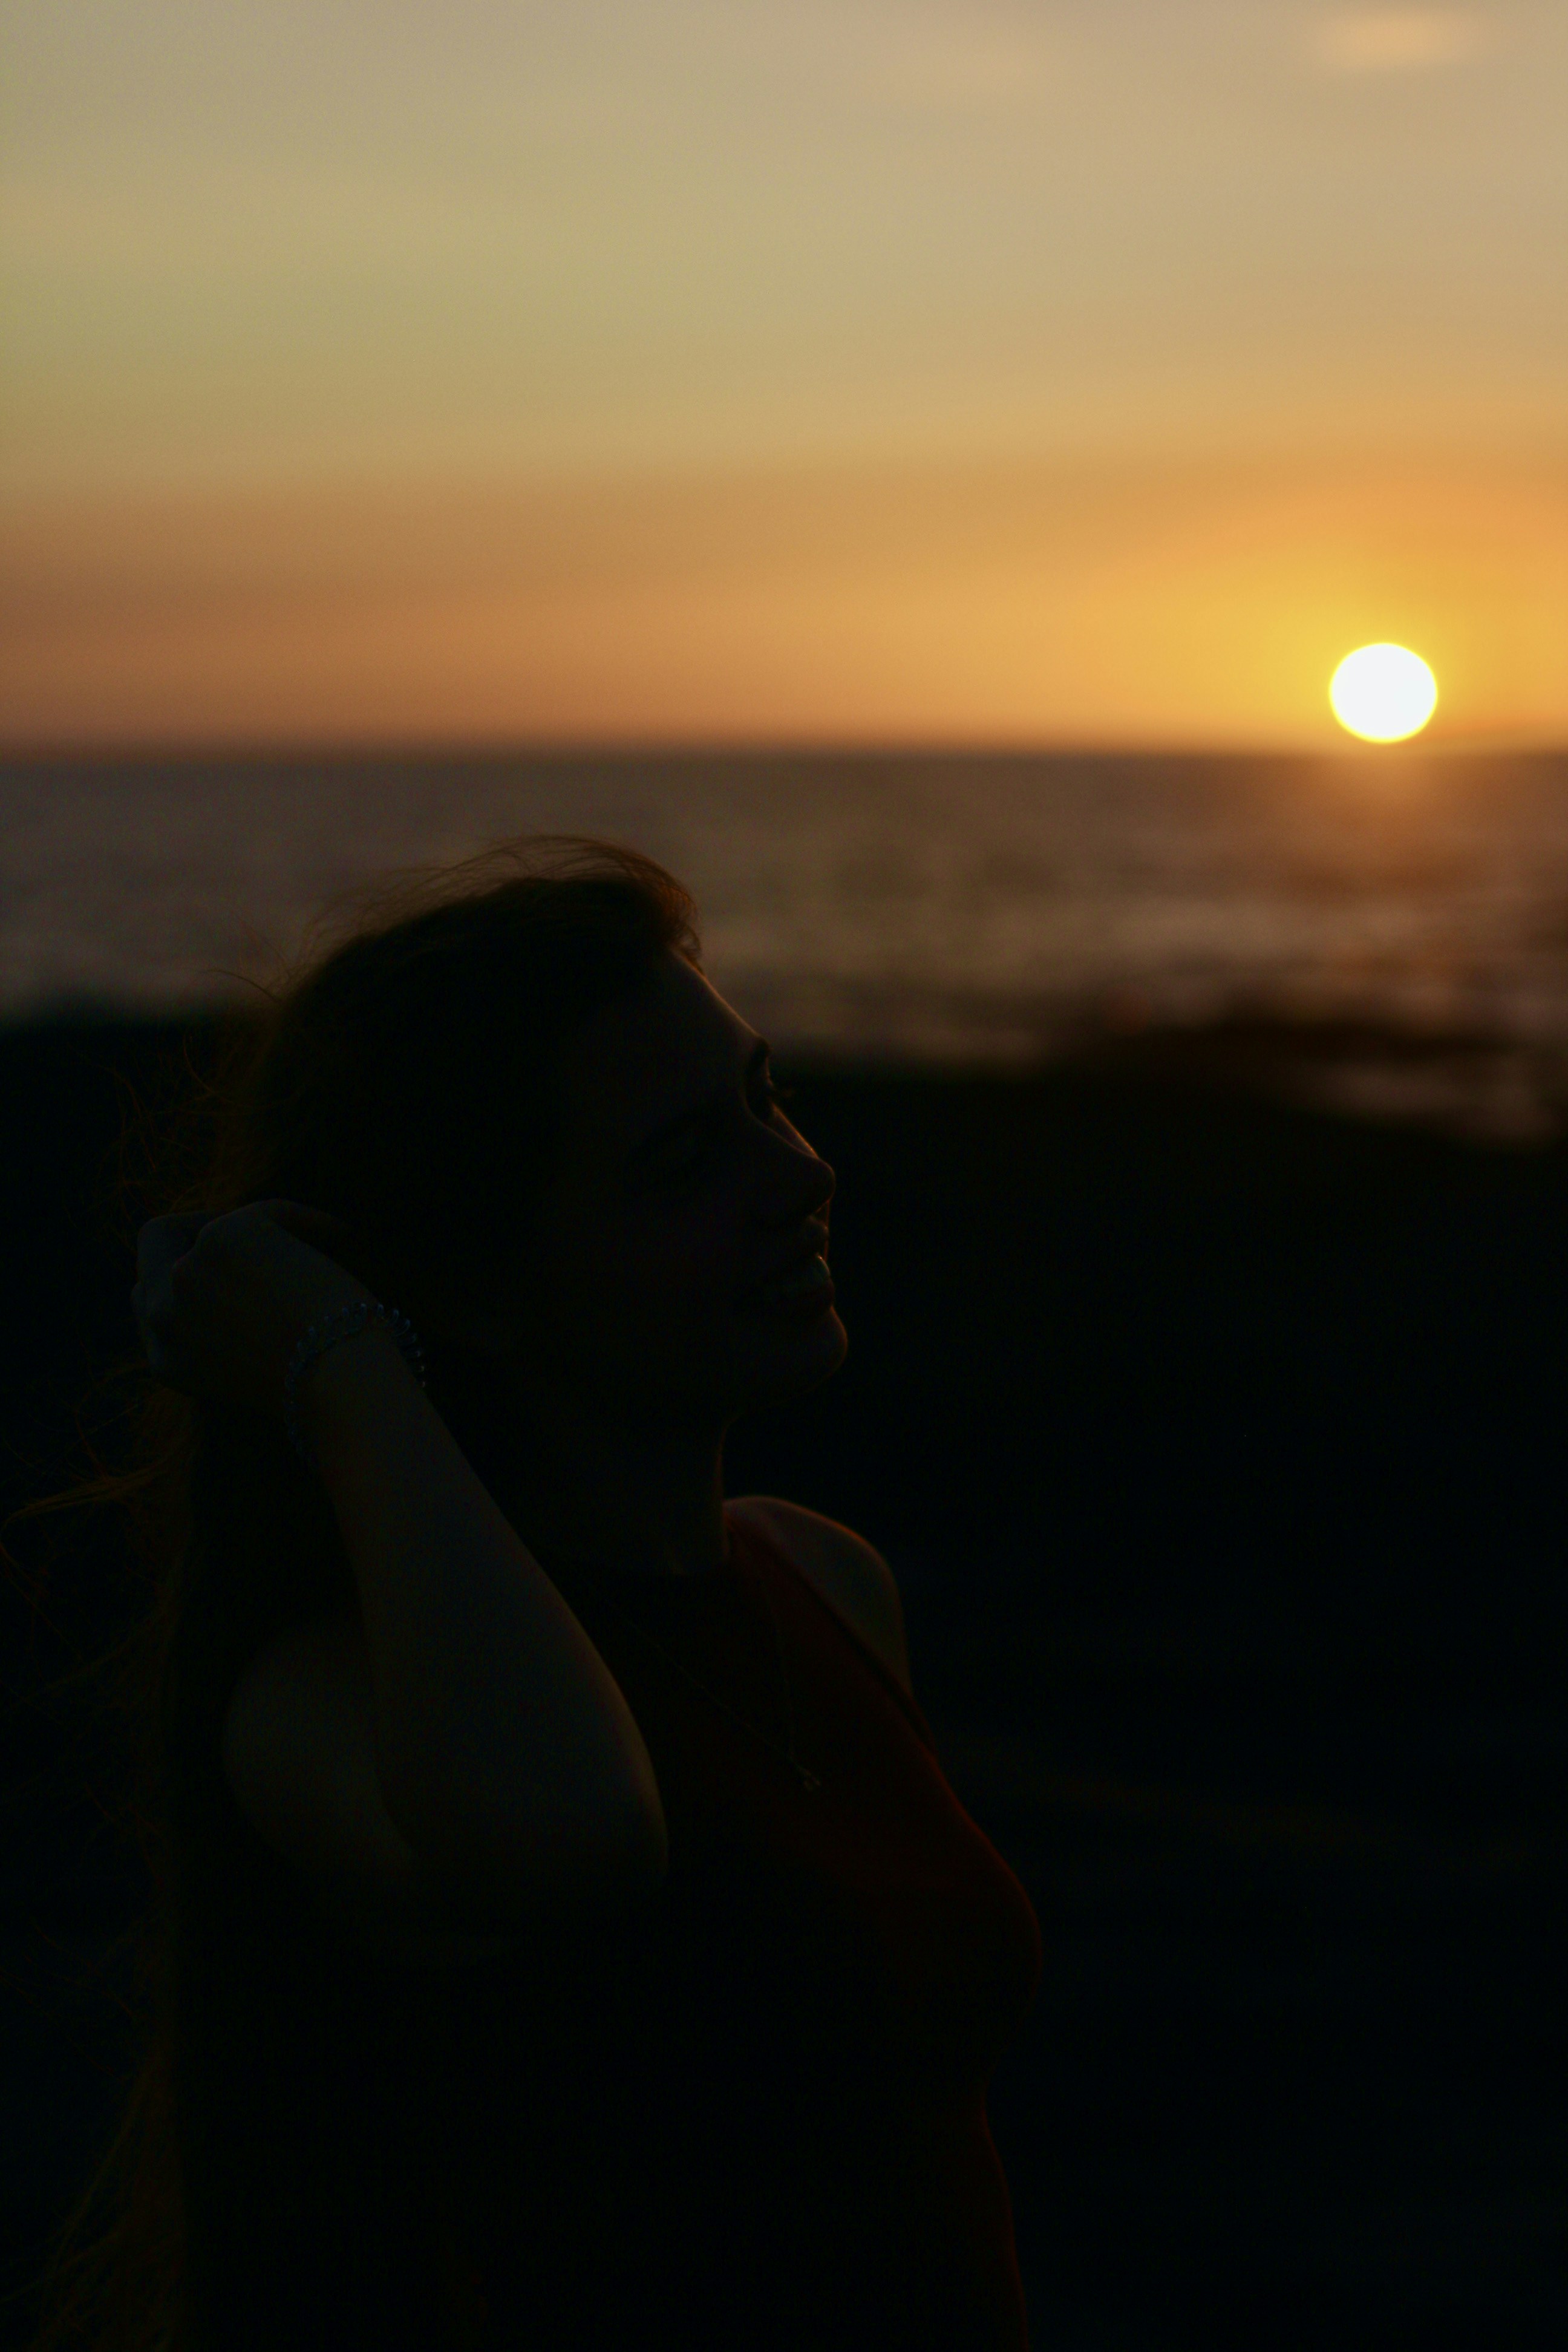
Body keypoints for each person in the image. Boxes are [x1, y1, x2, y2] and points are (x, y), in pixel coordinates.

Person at [30, 836, 1042, 2350]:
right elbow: (571, 1837)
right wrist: (351, 1367)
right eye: (684, 1162)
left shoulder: (821, 1576)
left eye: (766, 1095)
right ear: (483, 1289)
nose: (802, 1175)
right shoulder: (327, 1702)